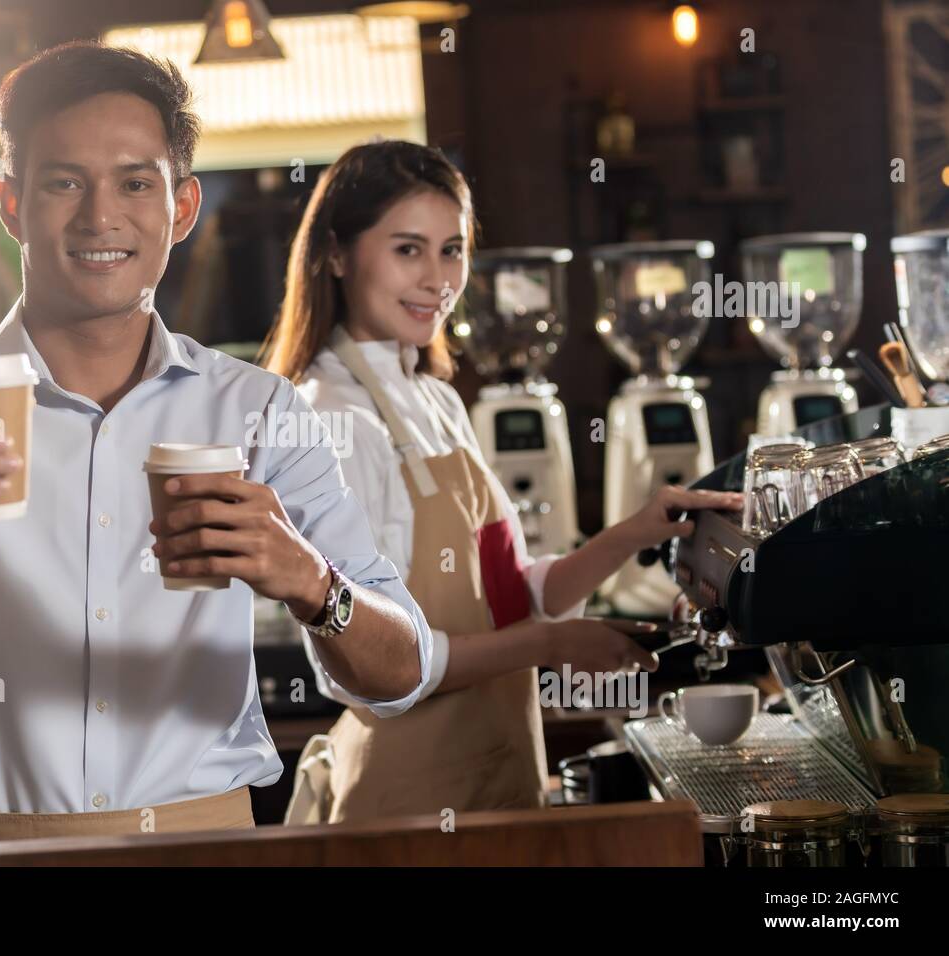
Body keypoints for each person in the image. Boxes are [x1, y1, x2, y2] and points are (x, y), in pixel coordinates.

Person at [0, 43, 434, 844]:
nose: (101, 217)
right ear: (10, 202)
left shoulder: (259, 409)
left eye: (135, 183)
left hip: (212, 849)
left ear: (183, 206)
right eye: (64, 182)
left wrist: (308, 580)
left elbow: (403, 671)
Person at [263, 141, 741, 823]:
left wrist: (635, 531)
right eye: (408, 249)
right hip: (409, 808)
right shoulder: (332, 417)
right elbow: (376, 668)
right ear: (337, 254)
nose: (437, 279)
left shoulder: (437, 398)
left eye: (451, 249)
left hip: (502, 786)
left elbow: (513, 595)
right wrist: (550, 648)